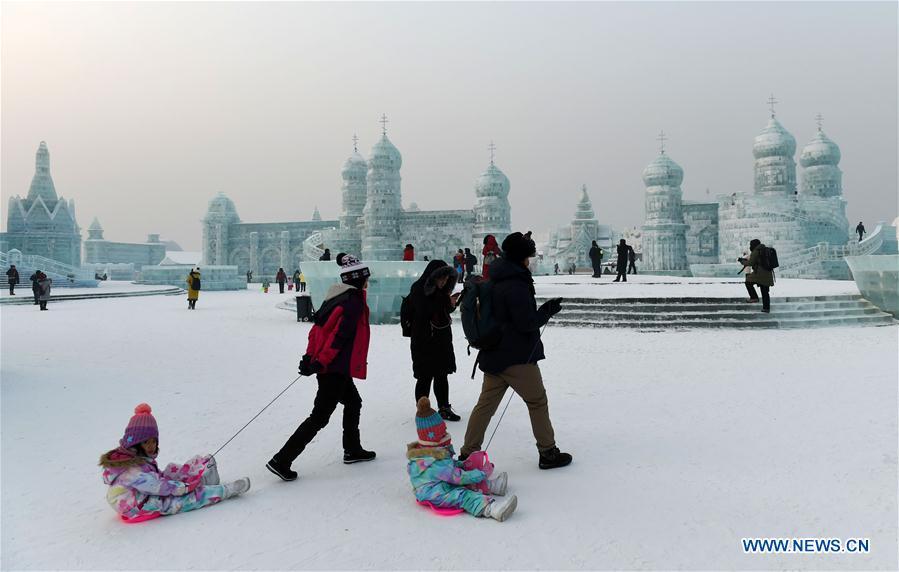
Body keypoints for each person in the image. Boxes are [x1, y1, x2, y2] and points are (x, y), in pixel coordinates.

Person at [460, 231, 572, 470]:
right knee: (537, 401)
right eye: (528, 256)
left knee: (485, 406)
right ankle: (548, 452)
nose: (529, 261)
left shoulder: (498, 278)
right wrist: (547, 311)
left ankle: (468, 453)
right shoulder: (516, 284)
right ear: (522, 258)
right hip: (517, 356)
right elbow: (525, 323)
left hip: (494, 353)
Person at [266, 254, 376, 481]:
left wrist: (310, 357)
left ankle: (352, 449)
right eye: (366, 278)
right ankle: (282, 459)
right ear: (358, 279)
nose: (368, 282)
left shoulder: (335, 297)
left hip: (335, 367)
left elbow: (317, 331)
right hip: (334, 368)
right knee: (319, 417)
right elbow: (339, 337)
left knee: (353, 403)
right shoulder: (353, 301)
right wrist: (320, 361)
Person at [98, 403, 250, 521]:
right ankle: (226, 490)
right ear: (136, 443)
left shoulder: (136, 458)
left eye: (153, 441)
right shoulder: (131, 471)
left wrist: (181, 483)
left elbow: (155, 480)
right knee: (183, 500)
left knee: (171, 471)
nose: (151, 446)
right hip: (137, 505)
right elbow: (157, 486)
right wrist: (184, 488)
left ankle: (202, 477)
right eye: (146, 442)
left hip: (140, 494)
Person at [407, 397, 517, 521]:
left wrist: (462, 464)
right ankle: (492, 509)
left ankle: (493, 486)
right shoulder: (435, 464)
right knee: (463, 495)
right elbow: (458, 477)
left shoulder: (430, 455)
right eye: (443, 433)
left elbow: (448, 467)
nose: (446, 435)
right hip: (434, 494)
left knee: (466, 481)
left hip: (439, 484)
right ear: (434, 439)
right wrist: (481, 473)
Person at [407, 260, 462, 422]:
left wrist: (451, 302)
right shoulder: (418, 289)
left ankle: (444, 407)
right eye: (441, 279)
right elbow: (425, 311)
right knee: (424, 376)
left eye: (446, 279)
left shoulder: (441, 292)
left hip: (441, 340)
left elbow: (443, 311)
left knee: (442, 374)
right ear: (433, 277)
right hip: (424, 340)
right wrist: (445, 301)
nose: (443, 282)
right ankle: (422, 410)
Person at [740, 238, 774, 313]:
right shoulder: (765, 249)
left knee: (748, 281)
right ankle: (766, 308)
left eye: (751, 244)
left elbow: (751, 263)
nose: (750, 246)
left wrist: (743, 262)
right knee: (765, 291)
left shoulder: (756, 251)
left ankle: (754, 297)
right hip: (768, 273)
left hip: (760, 273)